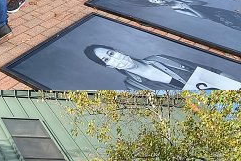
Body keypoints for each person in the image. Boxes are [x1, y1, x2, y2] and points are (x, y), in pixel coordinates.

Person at [82, 45, 240, 91]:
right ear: (108, 66)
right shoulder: (134, 86)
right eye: (107, 59)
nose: (115, 58)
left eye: (111, 52)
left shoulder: (159, 59)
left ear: (118, 50)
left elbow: (211, 71)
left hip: (225, 89)